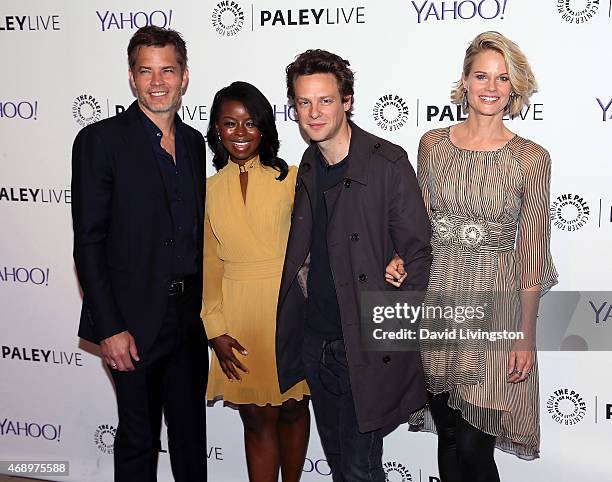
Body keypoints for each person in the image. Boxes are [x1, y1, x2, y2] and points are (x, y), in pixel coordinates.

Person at [386, 31, 558, 482]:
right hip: (438, 301)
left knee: (474, 445)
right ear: (463, 81)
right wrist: (401, 258)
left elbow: (533, 253)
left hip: (496, 308)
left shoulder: (531, 158)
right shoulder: (432, 146)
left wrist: (525, 336)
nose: (491, 86)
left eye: (503, 79)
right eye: (481, 75)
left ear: (514, 89)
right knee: (447, 437)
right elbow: (417, 228)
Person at [275, 49, 432, 481]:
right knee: (342, 466)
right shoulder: (308, 163)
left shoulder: (386, 162)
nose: (314, 112)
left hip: (361, 344)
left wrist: (391, 329)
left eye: (325, 100)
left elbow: (418, 252)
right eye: (303, 102)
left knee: (360, 471)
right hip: (316, 342)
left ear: (346, 101)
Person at [72, 26, 207, 482]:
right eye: (145, 71)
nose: (157, 81)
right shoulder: (100, 141)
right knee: (137, 440)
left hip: (188, 318)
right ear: (131, 78)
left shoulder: (193, 143)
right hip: (132, 320)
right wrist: (109, 327)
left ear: (184, 76)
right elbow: (88, 242)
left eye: (167, 69)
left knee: (192, 441)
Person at [202, 81, 310, 482]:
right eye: (229, 123)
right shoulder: (208, 191)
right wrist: (215, 329)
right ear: (216, 129)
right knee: (258, 420)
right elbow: (209, 264)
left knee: (295, 408)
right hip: (239, 318)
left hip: (289, 313)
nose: (240, 132)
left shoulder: (293, 179)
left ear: (264, 127)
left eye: (249, 123)